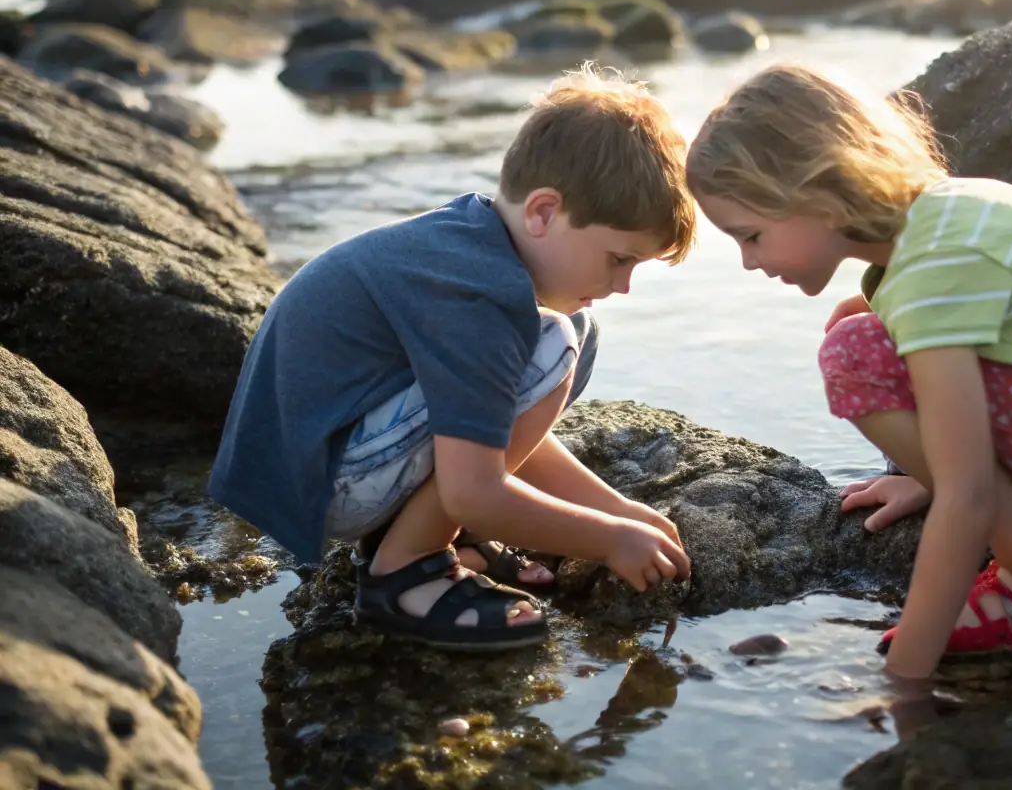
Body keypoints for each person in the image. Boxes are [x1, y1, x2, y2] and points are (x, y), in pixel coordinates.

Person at [685, 63, 1012, 680]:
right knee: (859, 327)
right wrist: (927, 472)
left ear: (816, 190)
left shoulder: (935, 265)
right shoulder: (938, 223)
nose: (749, 262)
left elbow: (969, 498)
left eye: (750, 235)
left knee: (855, 355)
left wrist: (904, 681)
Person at [210, 65, 694, 651]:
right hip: (323, 481)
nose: (624, 286)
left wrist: (615, 510)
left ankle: (413, 530)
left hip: (318, 458)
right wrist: (609, 541)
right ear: (543, 212)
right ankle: (407, 571)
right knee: (556, 343)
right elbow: (474, 490)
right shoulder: (479, 294)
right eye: (620, 259)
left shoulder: (472, 240)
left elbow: (492, 424)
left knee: (572, 328)